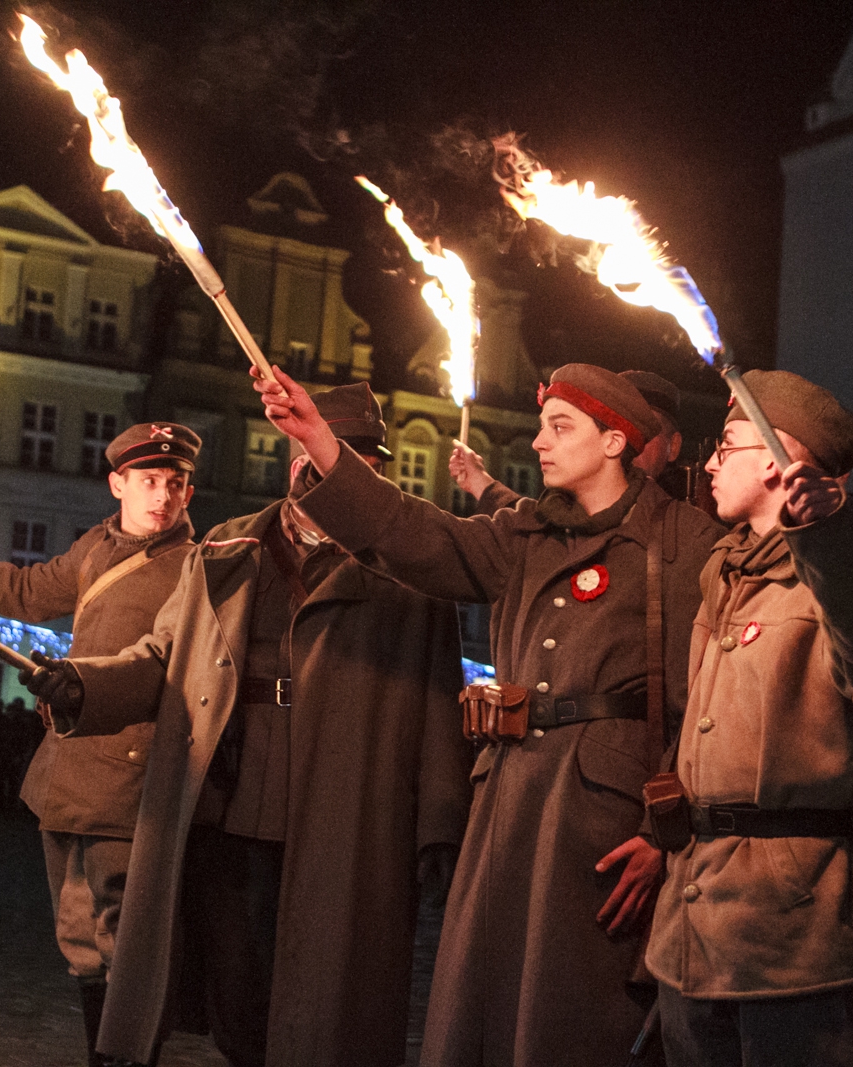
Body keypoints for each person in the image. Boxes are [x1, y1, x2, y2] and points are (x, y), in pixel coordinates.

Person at [251, 361, 723, 1067]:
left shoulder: (685, 542)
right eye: (541, 426)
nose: (538, 442)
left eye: (560, 427)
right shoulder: (524, 535)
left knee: (569, 1021)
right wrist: (321, 440)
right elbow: (414, 533)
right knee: (481, 1009)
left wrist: (665, 828)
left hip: (601, 817)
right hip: (511, 798)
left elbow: (704, 701)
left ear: (616, 441)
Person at [25, 382, 473, 1067]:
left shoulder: (409, 570)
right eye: (347, 474)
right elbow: (163, 656)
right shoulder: (230, 546)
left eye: (370, 476)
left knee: (324, 1003)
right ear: (301, 471)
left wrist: (439, 823)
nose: (366, 493)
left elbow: (437, 699)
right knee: (238, 998)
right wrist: (85, 683)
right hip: (231, 811)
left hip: (345, 817)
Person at [643, 370, 853, 1066]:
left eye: (729, 444)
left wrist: (834, 536)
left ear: (781, 462)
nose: (710, 461)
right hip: (693, 918)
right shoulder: (727, 572)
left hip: (791, 936)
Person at [0, 421, 200, 1067]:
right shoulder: (95, 546)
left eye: (176, 484)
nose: (164, 496)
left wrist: (79, 684)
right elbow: (25, 591)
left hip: (129, 776)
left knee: (126, 942)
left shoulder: (196, 568)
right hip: (66, 774)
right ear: (117, 482)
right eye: (150, 481)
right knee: (80, 942)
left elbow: (157, 663)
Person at [451, 368, 689, 514]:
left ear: (674, 446)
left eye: (645, 433)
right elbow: (532, 527)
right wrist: (479, 482)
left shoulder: (691, 526)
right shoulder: (573, 506)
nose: (633, 443)